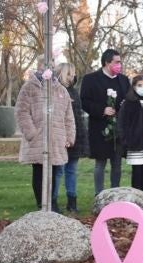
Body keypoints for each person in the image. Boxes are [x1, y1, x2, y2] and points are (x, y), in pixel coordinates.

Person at [15, 56, 75, 211]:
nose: (50, 68)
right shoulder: (29, 87)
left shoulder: (61, 90)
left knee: (54, 171)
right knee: (39, 171)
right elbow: (21, 112)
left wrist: (69, 137)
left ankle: (52, 203)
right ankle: (41, 204)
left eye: (53, 65)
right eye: (47, 65)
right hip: (38, 139)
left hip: (56, 139)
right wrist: (32, 133)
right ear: (39, 65)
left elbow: (69, 116)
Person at [80, 48, 130, 196]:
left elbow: (128, 99)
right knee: (100, 163)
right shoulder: (90, 79)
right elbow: (84, 101)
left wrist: (124, 107)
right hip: (99, 127)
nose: (119, 65)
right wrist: (102, 109)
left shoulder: (123, 80)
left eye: (120, 62)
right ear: (107, 63)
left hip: (118, 129)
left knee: (117, 164)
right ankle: (99, 195)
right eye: (117, 62)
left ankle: (115, 194)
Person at [52, 62, 89, 213]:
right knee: (59, 170)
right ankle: (52, 201)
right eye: (69, 73)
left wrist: (77, 137)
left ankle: (72, 201)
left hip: (75, 136)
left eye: (73, 73)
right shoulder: (55, 91)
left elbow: (77, 117)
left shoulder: (74, 92)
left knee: (71, 170)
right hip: (61, 136)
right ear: (61, 74)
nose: (72, 76)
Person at [118, 75, 143, 197]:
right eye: (139, 85)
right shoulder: (128, 102)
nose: (142, 88)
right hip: (134, 143)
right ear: (134, 87)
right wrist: (126, 139)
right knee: (137, 172)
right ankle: (137, 197)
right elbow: (122, 122)